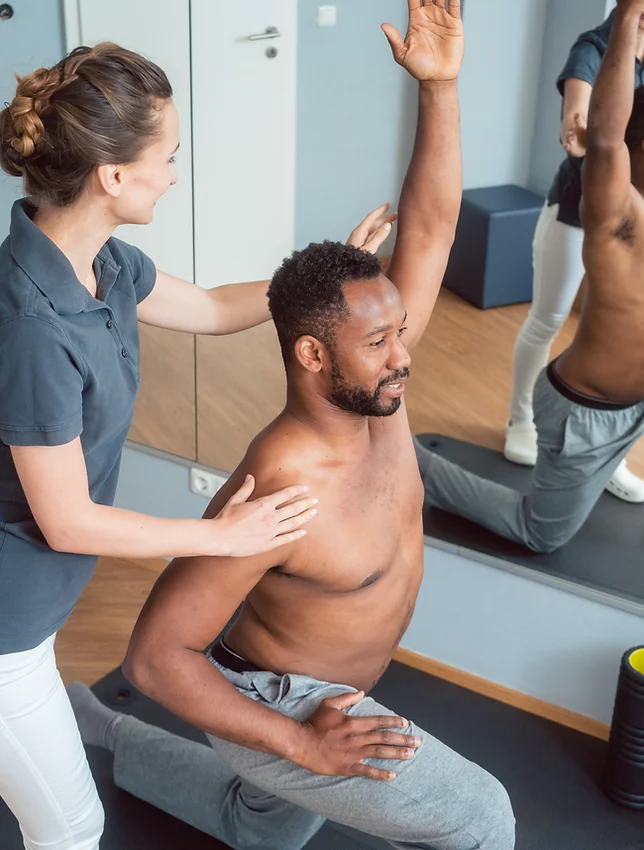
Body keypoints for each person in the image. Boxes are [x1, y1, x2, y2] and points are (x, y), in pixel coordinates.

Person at [68, 2, 516, 848]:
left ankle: (102, 731)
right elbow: (157, 660)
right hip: (275, 702)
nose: (403, 357)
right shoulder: (280, 485)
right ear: (313, 357)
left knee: (260, 830)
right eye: (379, 341)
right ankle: (183, 744)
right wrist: (299, 740)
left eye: (398, 334)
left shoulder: (378, 392)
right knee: (482, 819)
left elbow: (429, 227)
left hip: (328, 690)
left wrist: (442, 89)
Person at [0, 43, 391, 850]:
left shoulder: (101, 265)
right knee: (71, 829)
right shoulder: (33, 326)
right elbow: (68, 521)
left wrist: (326, 283)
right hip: (5, 629)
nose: (175, 173)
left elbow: (213, 309)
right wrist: (221, 536)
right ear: (113, 177)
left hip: (32, 612)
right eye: (168, 157)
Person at [415, 0, 644, 555]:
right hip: (586, 414)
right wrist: (630, 13)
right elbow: (607, 140)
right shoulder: (620, 218)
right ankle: (406, 461)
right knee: (542, 533)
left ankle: (594, 470)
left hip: (630, 408)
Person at [504, 6, 644, 504]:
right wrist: (578, 130)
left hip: (636, 223)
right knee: (548, 320)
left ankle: (608, 457)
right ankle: (521, 422)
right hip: (576, 214)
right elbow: (582, 127)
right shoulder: (592, 51)